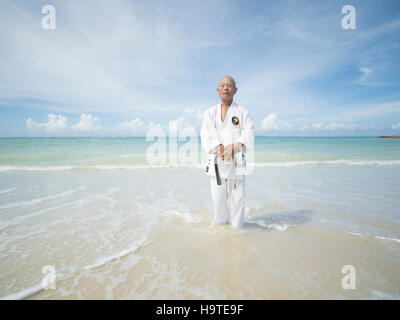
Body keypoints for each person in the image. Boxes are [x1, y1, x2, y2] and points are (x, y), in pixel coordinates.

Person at [200, 76, 255, 228]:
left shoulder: (242, 111)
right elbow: (206, 134)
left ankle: (237, 233)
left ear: (235, 90)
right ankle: (220, 232)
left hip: (237, 164)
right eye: (222, 85)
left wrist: (236, 146)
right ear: (218, 90)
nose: (226, 88)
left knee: (237, 201)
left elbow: (249, 132)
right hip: (217, 165)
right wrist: (220, 148)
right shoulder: (209, 113)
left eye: (229, 85)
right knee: (218, 201)